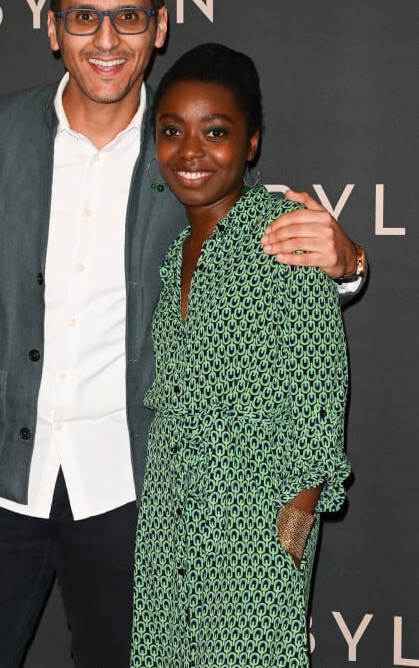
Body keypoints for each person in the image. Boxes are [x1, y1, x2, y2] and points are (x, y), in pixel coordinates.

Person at [0, 0, 363, 668]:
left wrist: (349, 262)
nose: (106, 40)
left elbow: (276, 255)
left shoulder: (186, 152)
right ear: (52, 28)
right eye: (83, 18)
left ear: (160, 26)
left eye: (129, 18)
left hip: (138, 494)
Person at [129, 43, 351, 668]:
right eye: (172, 131)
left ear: (251, 143)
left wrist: (289, 542)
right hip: (170, 517)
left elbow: (320, 394)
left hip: (254, 526)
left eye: (216, 131)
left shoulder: (283, 231)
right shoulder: (174, 251)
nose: (190, 151)